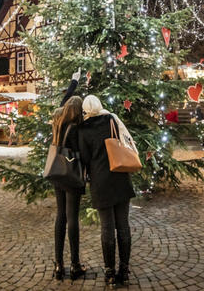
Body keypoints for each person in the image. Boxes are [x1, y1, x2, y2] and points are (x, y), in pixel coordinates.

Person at [78, 94, 136, 287]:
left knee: (107, 228)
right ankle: (125, 270)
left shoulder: (84, 129)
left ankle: (110, 272)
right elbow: (126, 139)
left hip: (100, 182)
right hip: (120, 177)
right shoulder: (111, 118)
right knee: (124, 226)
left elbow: (85, 159)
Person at [49, 70, 86, 281]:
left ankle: (58, 265)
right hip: (72, 175)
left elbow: (65, 102)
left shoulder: (57, 120)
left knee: (60, 216)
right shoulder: (78, 127)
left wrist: (74, 81)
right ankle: (75, 265)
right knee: (72, 218)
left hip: (56, 173)